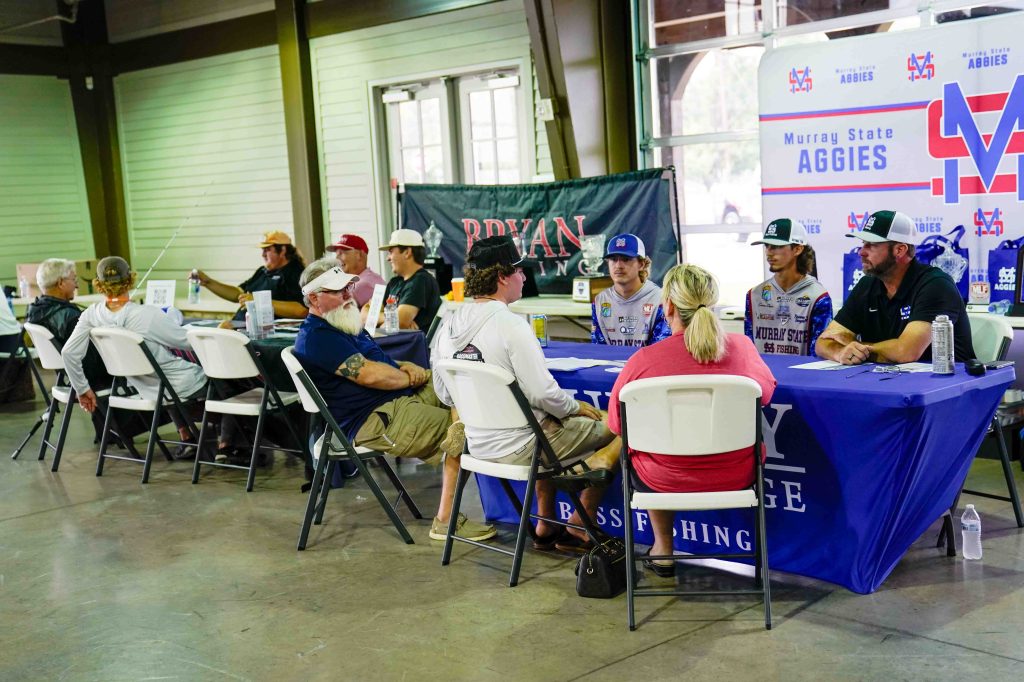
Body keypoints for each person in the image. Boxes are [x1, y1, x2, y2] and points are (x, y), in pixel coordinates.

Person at [432, 235, 619, 553]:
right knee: (619, 421)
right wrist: (574, 407)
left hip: (477, 446)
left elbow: (444, 393)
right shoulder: (512, 326)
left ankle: (546, 524)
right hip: (526, 448)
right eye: (519, 271)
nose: (523, 277)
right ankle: (580, 519)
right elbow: (543, 394)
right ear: (502, 276)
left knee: (542, 422)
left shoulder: (447, 326)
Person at [293, 258, 494, 542]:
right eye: (338, 291)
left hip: (395, 399)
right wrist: (407, 377)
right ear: (314, 298)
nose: (348, 295)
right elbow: (369, 375)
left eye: (348, 287)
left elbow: (374, 362)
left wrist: (403, 367)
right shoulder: (317, 337)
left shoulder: (340, 321)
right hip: (376, 418)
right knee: (474, 430)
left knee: (463, 388)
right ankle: (446, 520)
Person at [607, 263, 776, 577]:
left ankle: (663, 548)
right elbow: (765, 395)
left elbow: (617, 426)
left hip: (662, 479)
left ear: (668, 306)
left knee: (640, 451)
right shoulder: (743, 348)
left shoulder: (643, 361)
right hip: (737, 474)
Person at [61, 256, 208, 457]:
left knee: (166, 375)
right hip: (179, 385)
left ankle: (188, 437)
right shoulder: (147, 315)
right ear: (130, 279)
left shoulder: (90, 316)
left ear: (98, 284)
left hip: (145, 387)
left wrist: (82, 389)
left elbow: (68, 352)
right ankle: (229, 444)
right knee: (231, 381)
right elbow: (187, 342)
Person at [815, 210, 975, 364]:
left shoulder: (936, 285)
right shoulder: (866, 285)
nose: (861, 252)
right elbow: (822, 342)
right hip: (887, 379)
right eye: (863, 244)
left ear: (899, 250)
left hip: (947, 380)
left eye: (871, 245)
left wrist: (856, 346)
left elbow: (906, 352)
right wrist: (840, 352)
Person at [745, 218, 832, 356]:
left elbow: (818, 355)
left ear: (798, 249)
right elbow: (749, 351)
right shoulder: (754, 294)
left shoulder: (818, 297)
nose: (768, 252)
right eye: (767, 245)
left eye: (776, 246)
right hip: (763, 370)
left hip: (801, 371)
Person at [194, 231, 308, 323]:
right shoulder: (263, 271)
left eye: (267, 250)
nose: (263, 254)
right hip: (241, 326)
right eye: (263, 250)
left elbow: (302, 310)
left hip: (265, 334)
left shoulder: (296, 273)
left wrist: (258, 301)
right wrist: (208, 282)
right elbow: (239, 294)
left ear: (282, 250)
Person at [590, 233, 671, 347]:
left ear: (641, 264)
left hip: (646, 359)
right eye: (613, 259)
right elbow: (597, 349)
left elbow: (660, 350)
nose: (618, 265)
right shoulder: (600, 300)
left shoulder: (660, 299)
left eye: (626, 259)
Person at [363, 229, 440, 332]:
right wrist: (392, 319)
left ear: (407, 252)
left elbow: (399, 322)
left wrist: (377, 318)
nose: (388, 258)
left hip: (406, 343)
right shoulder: (394, 282)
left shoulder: (421, 281)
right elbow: (363, 316)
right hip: (389, 340)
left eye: (391, 252)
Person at [327, 233, 386, 307]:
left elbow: (333, 310)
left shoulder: (363, 285)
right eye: (336, 254)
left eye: (341, 253)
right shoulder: (368, 278)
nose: (337, 258)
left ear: (359, 255)